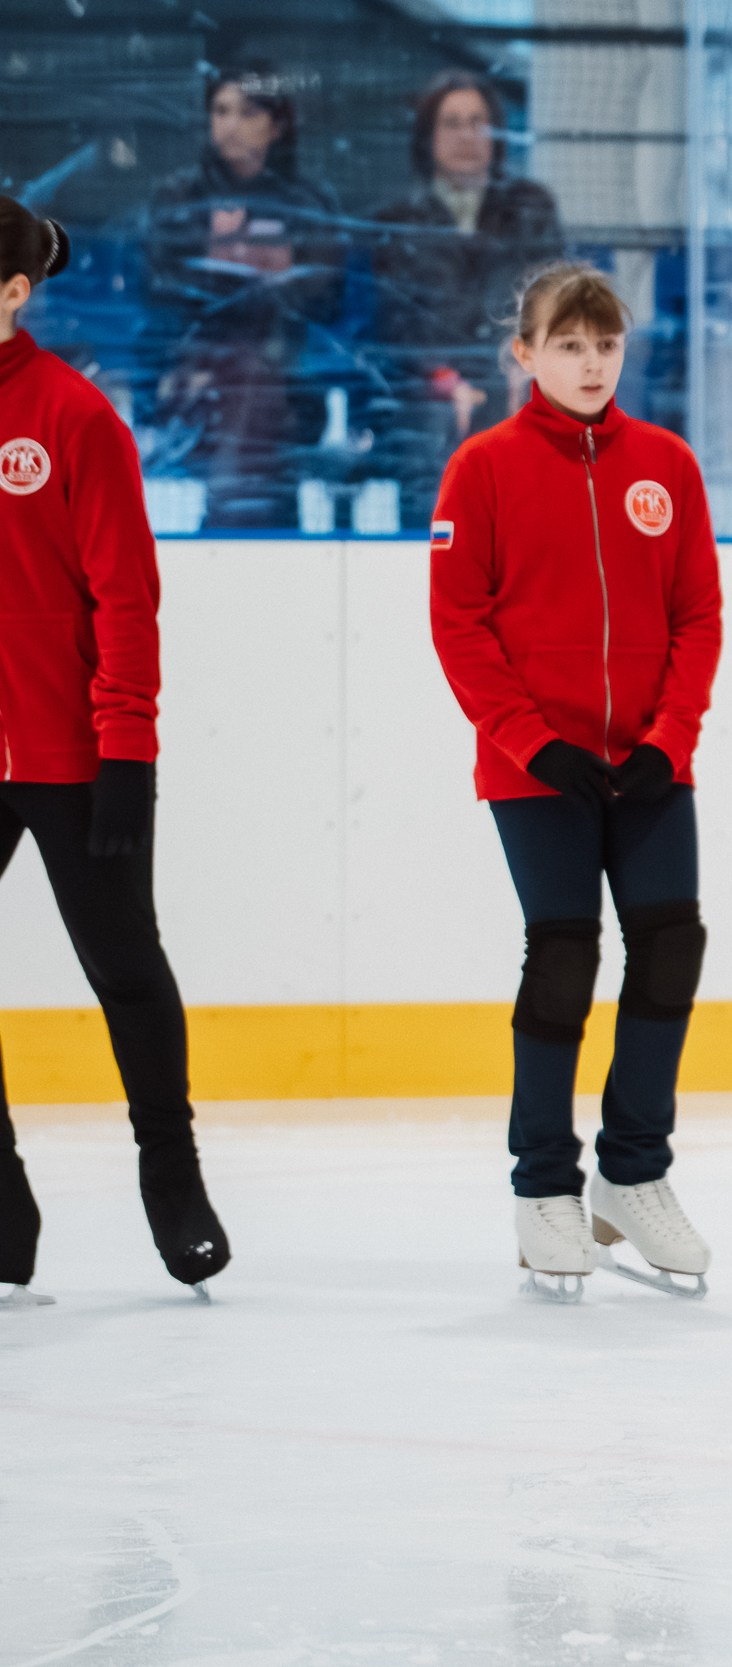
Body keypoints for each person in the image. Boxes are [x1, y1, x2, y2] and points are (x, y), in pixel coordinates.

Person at [428, 263, 722, 1301]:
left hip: (646, 761)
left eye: (605, 345)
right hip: (536, 768)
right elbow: (458, 624)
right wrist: (528, 742)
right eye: (568, 344)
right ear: (525, 354)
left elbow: (697, 616)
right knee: (563, 953)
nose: (590, 363)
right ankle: (544, 1187)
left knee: (671, 943)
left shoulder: (668, 466)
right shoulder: (483, 469)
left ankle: (632, 1173)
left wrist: (665, 739)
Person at [0, 195, 231, 1302]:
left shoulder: (74, 418)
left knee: (125, 970)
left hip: (72, 754)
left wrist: (125, 750)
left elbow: (126, 599)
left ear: (13, 292)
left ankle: (171, 1173)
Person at [144, 61, 345, 530]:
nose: (231, 125)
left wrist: (239, 271)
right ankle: (240, 521)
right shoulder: (179, 200)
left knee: (256, 383)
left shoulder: (307, 202)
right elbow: (162, 291)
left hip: (290, 372)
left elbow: (325, 299)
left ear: (276, 125)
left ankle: (242, 523)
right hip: (193, 370)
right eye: (221, 111)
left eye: (248, 112)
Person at [371, 71, 565, 526]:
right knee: (432, 436)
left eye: (478, 122)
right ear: (427, 136)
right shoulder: (396, 219)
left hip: (513, 373)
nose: (466, 136)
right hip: (431, 387)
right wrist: (442, 376)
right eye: (451, 123)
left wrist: (516, 367)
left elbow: (551, 301)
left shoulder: (531, 206)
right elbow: (394, 320)